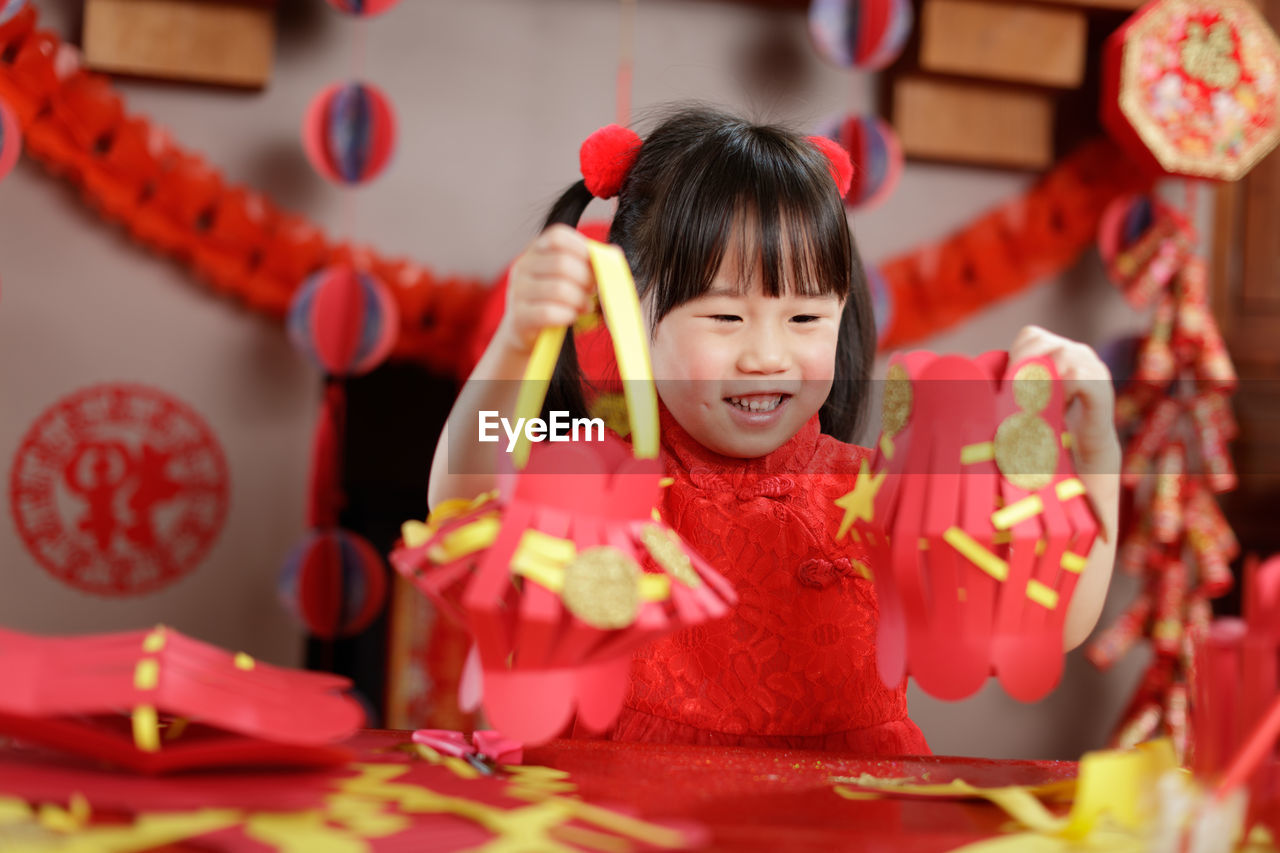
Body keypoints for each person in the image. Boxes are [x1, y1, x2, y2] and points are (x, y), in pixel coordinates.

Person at [429, 105, 1121, 754]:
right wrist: (517, 342)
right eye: (726, 318)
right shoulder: (600, 480)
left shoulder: (882, 493)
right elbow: (457, 504)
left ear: (842, 311)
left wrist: (1094, 458)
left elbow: (1044, 621)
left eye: (804, 319)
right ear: (629, 315)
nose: (767, 355)